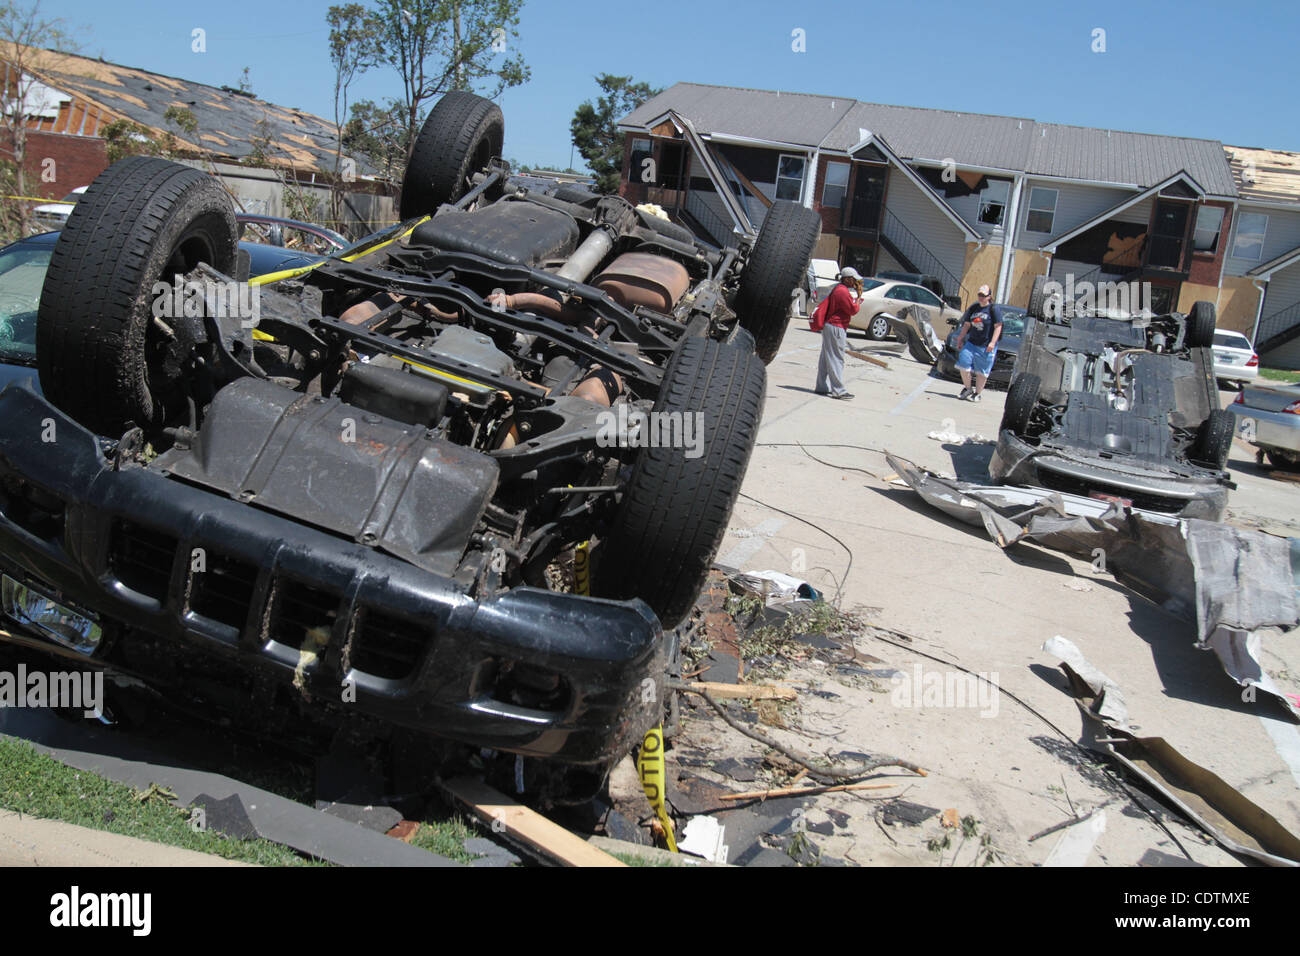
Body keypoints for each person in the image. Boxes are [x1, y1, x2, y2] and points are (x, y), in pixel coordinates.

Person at [814, 266, 865, 400]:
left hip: (830, 326)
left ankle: (821, 386)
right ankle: (838, 390)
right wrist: (858, 299)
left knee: (826, 358)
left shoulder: (838, 289)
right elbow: (853, 310)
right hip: (836, 326)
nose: (856, 283)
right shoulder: (842, 291)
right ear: (847, 279)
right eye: (854, 280)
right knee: (837, 358)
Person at [954, 284, 1003, 402]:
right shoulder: (974, 308)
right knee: (963, 365)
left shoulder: (993, 309)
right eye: (979, 295)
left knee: (982, 372)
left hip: (985, 346)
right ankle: (968, 388)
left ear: (989, 297)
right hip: (971, 343)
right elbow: (967, 324)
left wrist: (992, 342)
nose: (981, 297)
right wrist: (960, 338)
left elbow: (998, 326)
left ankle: (977, 393)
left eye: (983, 295)